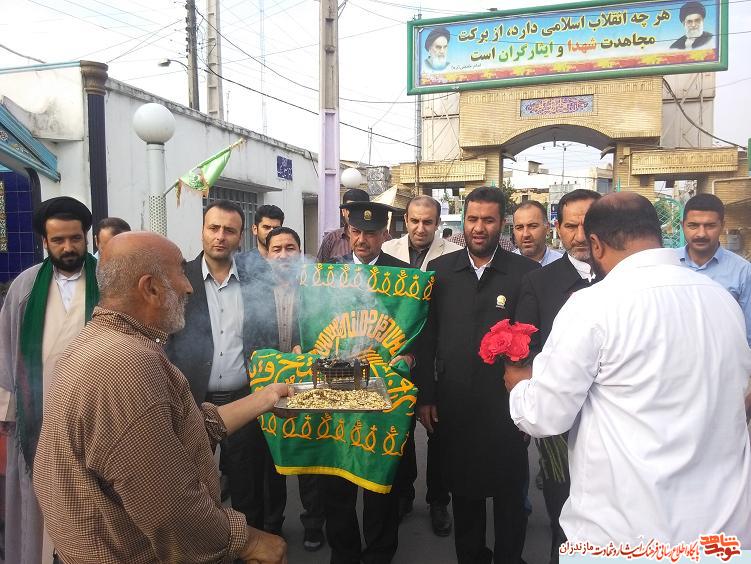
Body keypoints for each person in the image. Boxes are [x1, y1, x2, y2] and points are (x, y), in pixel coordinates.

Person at [506, 192, 751, 546]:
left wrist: (519, 385)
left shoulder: (593, 306)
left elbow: (544, 415)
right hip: (722, 533)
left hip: (623, 533)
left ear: (596, 244)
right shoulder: (720, 299)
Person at [33, 230, 290, 564]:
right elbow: (170, 507)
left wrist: (266, 398)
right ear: (150, 288)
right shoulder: (126, 365)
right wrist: (250, 542)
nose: (189, 287)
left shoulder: (99, 341)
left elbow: (185, 429)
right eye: (181, 273)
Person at [414, 186, 539, 563]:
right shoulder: (439, 271)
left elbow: (535, 344)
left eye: (488, 220)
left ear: (502, 224)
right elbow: (426, 337)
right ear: (463, 222)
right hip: (455, 404)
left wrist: (529, 406)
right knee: (465, 497)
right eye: (472, 219)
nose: (479, 228)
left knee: (509, 497)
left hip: (507, 407)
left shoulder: (525, 274)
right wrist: (426, 396)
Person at [166, 200, 285, 535]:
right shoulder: (179, 278)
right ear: (202, 231)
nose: (220, 236)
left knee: (248, 488)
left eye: (229, 230)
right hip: (191, 400)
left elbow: (268, 336)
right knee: (192, 489)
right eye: (213, 228)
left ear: (241, 235)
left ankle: (251, 547)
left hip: (244, 399)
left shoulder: (256, 280)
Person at [0, 196, 99, 564]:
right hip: (38, 418)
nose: (68, 247)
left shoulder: (107, 281)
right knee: (40, 504)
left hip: (94, 415)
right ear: (45, 241)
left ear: (86, 237)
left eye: (75, 238)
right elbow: (6, 348)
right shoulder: (25, 286)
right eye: (58, 240)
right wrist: (9, 414)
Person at [321, 201, 412, 564]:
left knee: (381, 479)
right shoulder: (328, 275)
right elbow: (311, 323)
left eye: (371, 233)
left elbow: (418, 329)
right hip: (336, 388)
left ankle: (379, 553)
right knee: (337, 478)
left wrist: (410, 357)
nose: (362, 240)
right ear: (348, 232)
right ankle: (343, 553)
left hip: (383, 391)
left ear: (384, 234)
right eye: (356, 232)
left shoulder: (404, 276)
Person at [514, 189, 601, 564]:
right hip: (558, 419)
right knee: (561, 494)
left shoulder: (621, 280)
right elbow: (526, 349)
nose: (580, 236)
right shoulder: (540, 282)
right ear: (558, 230)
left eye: (588, 225)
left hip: (614, 416)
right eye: (570, 226)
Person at [381, 195, 460, 536]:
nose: (420, 228)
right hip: (396, 356)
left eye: (428, 222)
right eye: (414, 220)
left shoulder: (453, 256)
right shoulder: (388, 252)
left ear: (438, 223)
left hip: (436, 355)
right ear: (405, 220)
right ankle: (403, 493)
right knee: (400, 433)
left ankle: (438, 500)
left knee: (437, 432)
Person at [265, 226, 326, 552]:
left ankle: (313, 524)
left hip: (307, 386)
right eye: (277, 249)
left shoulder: (314, 290)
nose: (284, 255)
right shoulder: (255, 291)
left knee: (308, 458)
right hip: (266, 388)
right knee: (270, 460)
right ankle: (272, 525)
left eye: (290, 248)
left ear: (300, 254)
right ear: (267, 255)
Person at [678, 193, 751, 346]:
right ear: (682, 225)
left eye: (710, 226)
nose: (701, 234)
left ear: (722, 226)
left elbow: (748, 333)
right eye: (693, 225)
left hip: (724, 356)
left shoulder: (743, 271)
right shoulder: (668, 264)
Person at [316, 188, 370, 263]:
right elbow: (320, 268)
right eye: (351, 209)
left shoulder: (378, 238)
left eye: (359, 209)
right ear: (343, 211)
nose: (354, 213)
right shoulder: (331, 239)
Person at [512, 201, 562, 266]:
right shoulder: (504, 266)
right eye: (519, 227)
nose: (525, 234)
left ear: (547, 228)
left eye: (533, 226)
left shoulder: (564, 265)